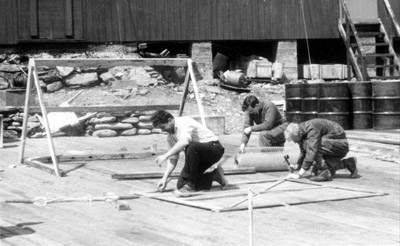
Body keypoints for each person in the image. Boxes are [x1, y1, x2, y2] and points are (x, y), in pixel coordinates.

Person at [150, 110, 228, 195]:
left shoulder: (184, 122)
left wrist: (165, 155)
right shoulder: (170, 137)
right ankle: (214, 175)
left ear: (169, 120)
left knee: (191, 146)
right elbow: (173, 159)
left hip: (214, 149)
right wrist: (164, 178)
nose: (162, 130)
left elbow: (185, 141)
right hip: (198, 157)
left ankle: (190, 186)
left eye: (163, 127)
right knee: (181, 185)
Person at [284, 118, 358, 182]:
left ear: (300, 133)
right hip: (332, 144)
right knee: (315, 172)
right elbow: (303, 151)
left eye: (294, 140)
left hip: (341, 144)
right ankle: (348, 163)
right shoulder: (301, 130)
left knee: (314, 145)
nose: (294, 142)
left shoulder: (311, 129)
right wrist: (297, 165)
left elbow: (311, 151)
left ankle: (325, 171)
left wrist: (299, 175)